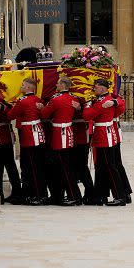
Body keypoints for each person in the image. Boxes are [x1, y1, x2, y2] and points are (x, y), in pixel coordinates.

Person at [40, 76, 82, 206]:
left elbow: (44, 114)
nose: (56, 85)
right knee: (66, 167)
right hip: (68, 133)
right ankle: (67, 195)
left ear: (63, 85)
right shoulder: (73, 98)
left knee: (63, 168)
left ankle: (73, 195)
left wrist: (42, 106)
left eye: (58, 83)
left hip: (60, 135)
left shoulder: (56, 99)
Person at [83, 79, 126, 206]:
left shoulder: (102, 102)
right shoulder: (106, 100)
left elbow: (87, 115)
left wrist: (87, 104)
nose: (94, 89)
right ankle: (101, 196)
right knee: (101, 167)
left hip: (104, 137)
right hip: (103, 135)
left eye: (96, 87)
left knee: (110, 167)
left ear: (102, 88)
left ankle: (119, 196)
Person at [7, 78, 48, 205]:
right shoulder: (38, 100)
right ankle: (36, 193)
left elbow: (10, 116)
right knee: (37, 167)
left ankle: (37, 195)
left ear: (29, 88)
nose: (21, 87)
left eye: (23, 85)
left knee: (31, 167)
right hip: (38, 134)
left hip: (30, 137)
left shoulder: (22, 101)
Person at [109, 93, 133, 204]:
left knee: (114, 163)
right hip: (112, 132)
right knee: (116, 163)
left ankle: (122, 193)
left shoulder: (114, 98)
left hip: (110, 132)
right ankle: (125, 192)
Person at [72, 100, 96, 203]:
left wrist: (80, 108)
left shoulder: (87, 98)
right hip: (73, 133)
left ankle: (90, 194)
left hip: (82, 134)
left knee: (82, 166)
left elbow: (88, 115)